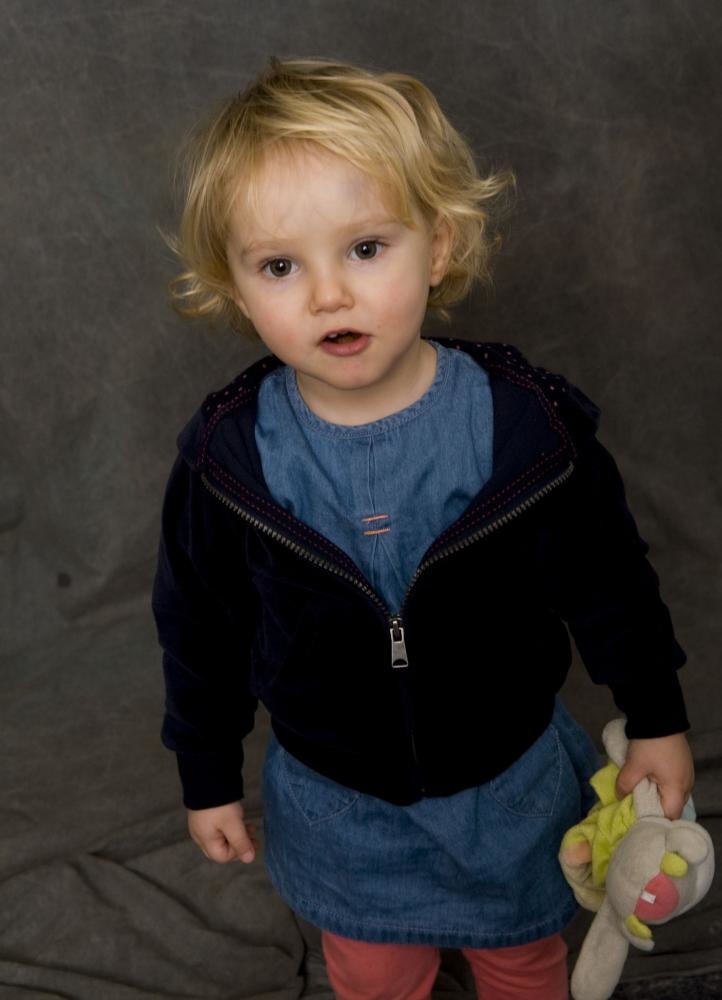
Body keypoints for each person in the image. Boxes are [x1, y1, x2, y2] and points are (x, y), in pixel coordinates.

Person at [152, 57, 694, 1000]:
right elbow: (199, 628)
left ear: (437, 247)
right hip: (340, 802)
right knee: (375, 972)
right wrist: (207, 773)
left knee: (522, 962)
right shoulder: (228, 462)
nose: (328, 294)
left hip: (506, 786)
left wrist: (656, 717)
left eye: (366, 248)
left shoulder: (524, 431)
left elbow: (609, 581)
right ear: (236, 289)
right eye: (280, 266)